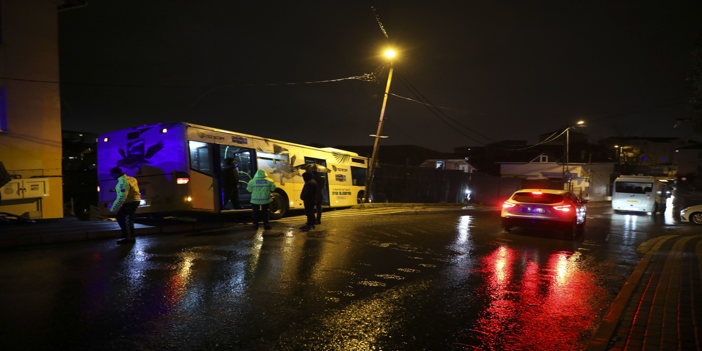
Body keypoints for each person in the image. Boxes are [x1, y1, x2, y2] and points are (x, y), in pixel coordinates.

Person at [109, 167, 141, 244]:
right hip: (135, 200)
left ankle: (129, 238)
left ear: (116, 174)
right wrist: (116, 190)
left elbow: (121, 197)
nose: (111, 176)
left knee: (127, 220)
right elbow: (129, 188)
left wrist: (112, 208)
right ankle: (126, 234)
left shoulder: (122, 182)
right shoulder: (132, 178)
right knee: (121, 217)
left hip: (130, 202)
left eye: (112, 174)